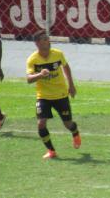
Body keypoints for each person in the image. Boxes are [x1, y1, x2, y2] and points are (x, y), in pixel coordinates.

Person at [26, 31, 81, 159]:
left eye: (48, 39)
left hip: (60, 95)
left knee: (68, 124)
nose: (48, 41)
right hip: (43, 96)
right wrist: (40, 75)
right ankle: (51, 151)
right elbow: (29, 79)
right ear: (37, 43)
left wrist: (71, 85)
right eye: (44, 39)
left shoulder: (58, 54)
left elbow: (66, 67)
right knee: (41, 124)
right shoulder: (32, 60)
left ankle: (75, 132)